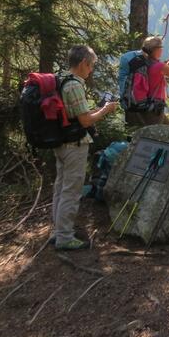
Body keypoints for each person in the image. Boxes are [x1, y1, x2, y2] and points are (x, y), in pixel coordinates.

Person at [53, 45, 118, 250]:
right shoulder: (74, 85)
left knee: (60, 187)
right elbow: (85, 121)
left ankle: (58, 231)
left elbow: (76, 114)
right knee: (71, 191)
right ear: (83, 63)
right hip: (74, 145)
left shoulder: (61, 79)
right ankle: (64, 237)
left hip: (61, 142)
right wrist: (105, 110)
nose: (91, 70)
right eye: (90, 66)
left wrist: (97, 109)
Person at [125, 36, 169, 127]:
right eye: (161, 47)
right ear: (156, 50)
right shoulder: (159, 66)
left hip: (145, 105)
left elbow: (158, 75)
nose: (162, 49)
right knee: (158, 134)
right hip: (155, 109)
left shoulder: (145, 63)